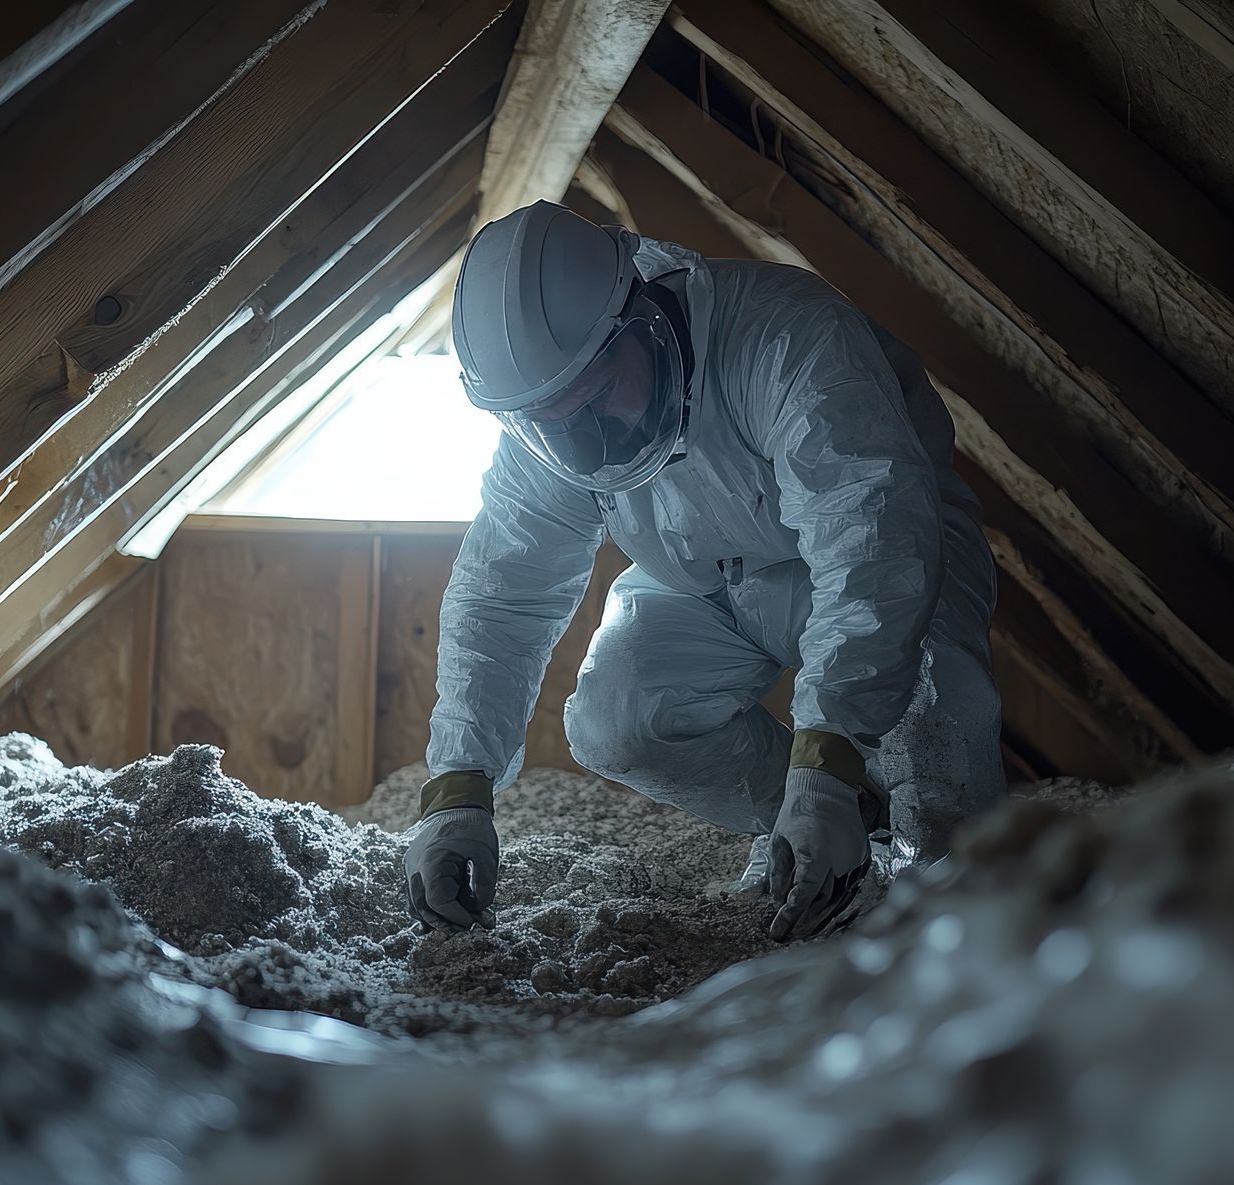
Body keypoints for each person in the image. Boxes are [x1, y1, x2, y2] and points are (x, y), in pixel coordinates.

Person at [404, 200, 1001, 942]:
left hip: (888, 551)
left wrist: (830, 756)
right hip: (705, 579)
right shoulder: (557, 431)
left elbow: (867, 539)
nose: (582, 437)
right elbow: (503, 597)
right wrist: (457, 791)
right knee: (617, 717)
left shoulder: (784, 335)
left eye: (593, 399)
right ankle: (840, 825)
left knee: (937, 738)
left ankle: (925, 871)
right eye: (551, 423)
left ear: (643, 319)